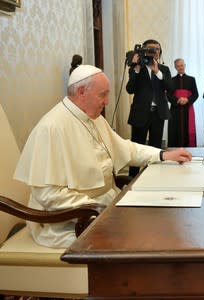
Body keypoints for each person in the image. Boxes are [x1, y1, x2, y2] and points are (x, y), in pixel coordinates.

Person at [14, 65, 192, 248]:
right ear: (82, 91)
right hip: (69, 223)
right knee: (145, 237)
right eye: (103, 94)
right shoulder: (51, 128)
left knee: (164, 219)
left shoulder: (94, 118)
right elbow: (49, 196)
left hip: (106, 205)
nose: (107, 101)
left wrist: (164, 154)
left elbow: (125, 148)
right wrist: (99, 209)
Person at [126, 39, 173, 177]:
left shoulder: (164, 69)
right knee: (136, 147)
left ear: (160, 52)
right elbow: (130, 89)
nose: (154, 52)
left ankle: (154, 176)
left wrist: (157, 71)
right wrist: (136, 70)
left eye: (157, 49)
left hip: (158, 114)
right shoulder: (136, 68)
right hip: (140, 113)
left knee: (155, 147)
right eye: (151, 49)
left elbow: (170, 88)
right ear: (144, 51)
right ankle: (132, 179)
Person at [167, 58, 199, 147]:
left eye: (181, 65)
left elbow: (196, 94)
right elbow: (168, 95)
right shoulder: (171, 80)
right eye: (178, 66)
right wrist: (177, 100)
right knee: (174, 130)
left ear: (185, 66)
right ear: (175, 67)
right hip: (175, 109)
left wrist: (187, 100)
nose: (180, 67)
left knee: (188, 130)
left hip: (188, 109)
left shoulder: (191, 79)